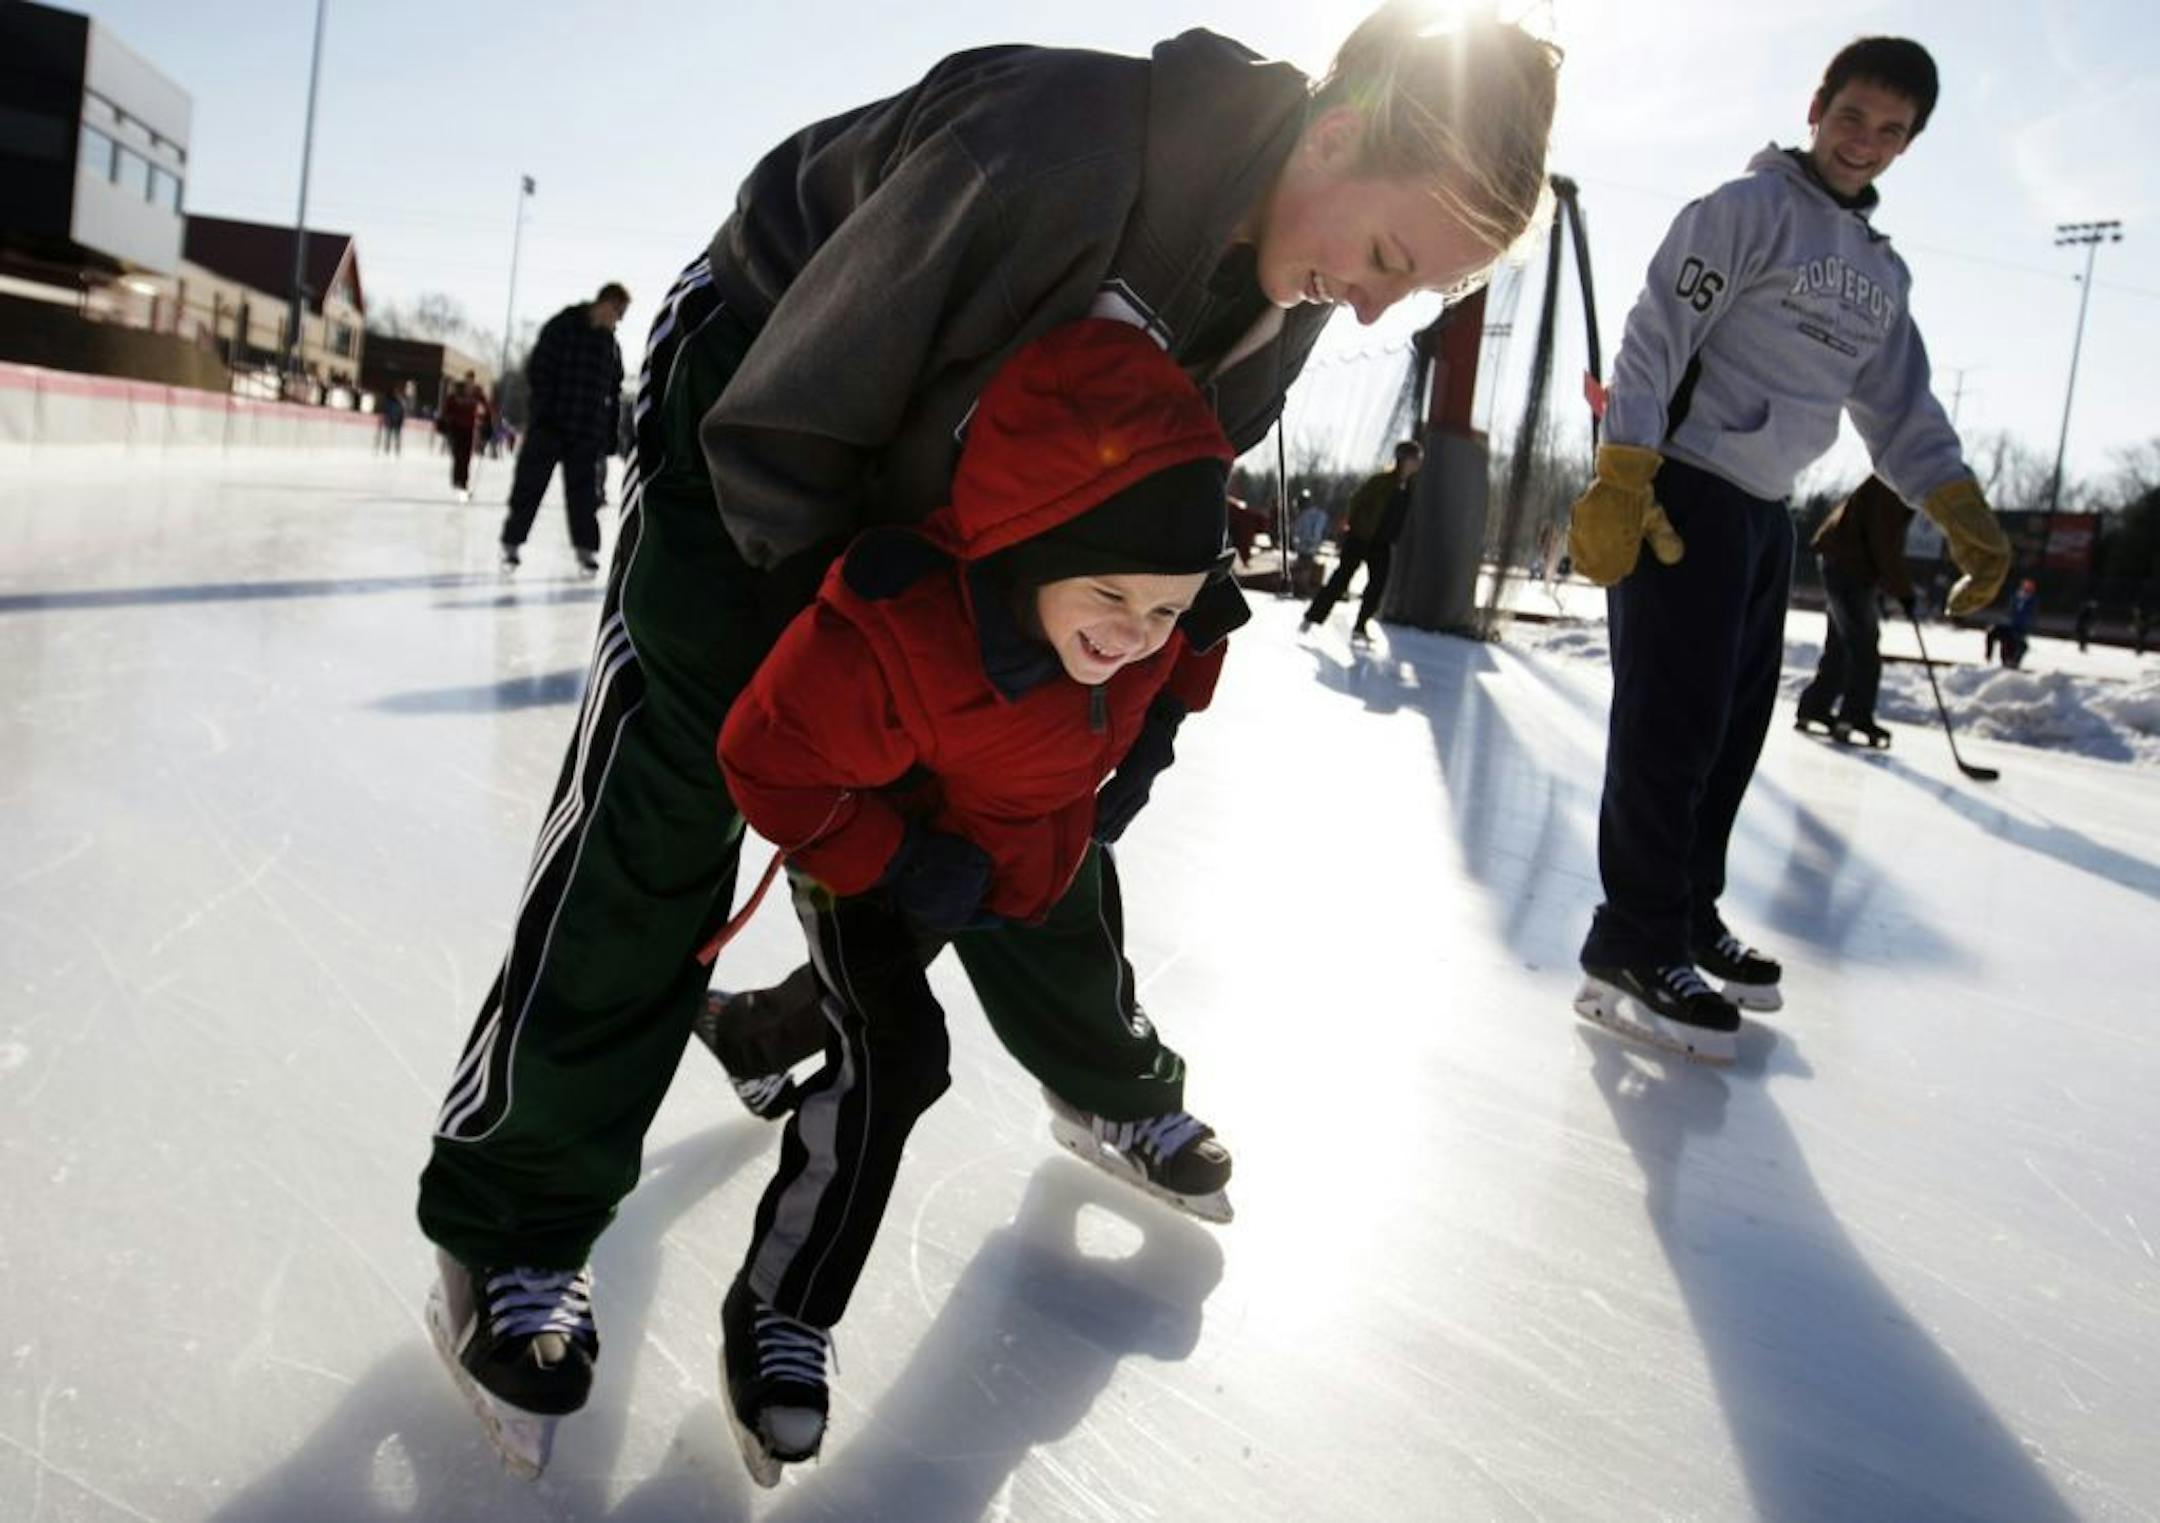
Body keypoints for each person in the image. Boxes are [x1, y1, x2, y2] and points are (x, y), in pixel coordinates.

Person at [417, 4, 1560, 1477]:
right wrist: (834, 669)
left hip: (991, 486)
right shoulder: (1051, 150)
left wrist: (1087, 719)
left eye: (1416, 292)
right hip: (764, 406)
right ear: (1332, 134)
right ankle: (511, 1224)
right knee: (681, 775)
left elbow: (1154, 516)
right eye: (1393, 260)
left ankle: (1104, 1069)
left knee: (1030, 780)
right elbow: (798, 415)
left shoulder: (1279, 302)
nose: (1378, 309)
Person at [712, 320, 1238, 1481]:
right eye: (1110, 593)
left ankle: (749, 1032)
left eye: (1162, 607)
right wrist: (891, 855)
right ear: (1029, 539)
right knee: (897, 1048)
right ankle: (782, 1309)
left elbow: (1194, 643)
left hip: (1016, 834)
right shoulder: (895, 636)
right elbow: (767, 761)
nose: (1132, 632)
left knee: (1051, 931)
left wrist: (1148, 739)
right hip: (870, 836)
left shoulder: (1151, 616)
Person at [1564, 36, 2009, 1063]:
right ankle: (1632, 935)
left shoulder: (1880, 275)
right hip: (1685, 490)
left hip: (1764, 510)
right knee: (1669, 727)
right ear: (1819, 106)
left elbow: (1901, 411)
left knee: (1730, 730)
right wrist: (1623, 470)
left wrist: (1964, 513)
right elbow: (1655, 332)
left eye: (1891, 132)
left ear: (1908, 146)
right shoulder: (1746, 210)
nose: (1866, 143)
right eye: (1854, 116)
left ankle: (1687, 915)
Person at [499, 282, 630, 576]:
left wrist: (609, 436)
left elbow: (614, 393)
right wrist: (544, 412)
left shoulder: (610, 345)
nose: (619, 320)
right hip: (550, 426)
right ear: (606, 303)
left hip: (585, 433)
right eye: (619, 312)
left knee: (584, 497)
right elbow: (539, 370)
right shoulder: (562, 327)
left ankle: (586, 553)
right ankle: (511, 545)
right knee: (529, 487)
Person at [1795, 475, 1915, 747]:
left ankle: (1814, 706)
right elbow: (1885, 544)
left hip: (1842, 562)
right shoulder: (1896, 484)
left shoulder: (1896, 478)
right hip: (1848, 567)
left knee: (1841, 643)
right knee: (1864, 647)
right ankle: (1855, 715)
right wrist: (1903, 590)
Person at [1300, 438, 1423, 640]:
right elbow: (1357, 501)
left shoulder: (1409, 488)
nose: (1417, 463)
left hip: (1383, 543)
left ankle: (1361, 625)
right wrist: (1356, 526)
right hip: (1361, 537)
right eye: (1414, 458)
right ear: (1403, 459)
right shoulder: (1382, 481)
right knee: (1341, 578)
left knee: (1377, 585)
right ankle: (1314, 615)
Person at [435, 372, 492, 503]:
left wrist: (488, 423)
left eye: (471, 381)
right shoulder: (456, 393)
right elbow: (446, 409)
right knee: (457, 455)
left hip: (470, 429)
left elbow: (487, 409)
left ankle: (464, 481)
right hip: (456, 428)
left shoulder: (477, 394)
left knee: (466, 456)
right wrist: (443, 422)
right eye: (467, 380)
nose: (469, 383)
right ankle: (456, 479)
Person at [1985, 576, 2037, 668]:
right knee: (1993, 631)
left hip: (2020, 628)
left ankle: (2011, 661)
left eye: (2030, 586)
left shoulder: (2032, 601)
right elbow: (2009, 611)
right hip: (2009, 625)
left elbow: (2030, 617)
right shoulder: (2016, 596)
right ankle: (1989, 656)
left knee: (2016, 642)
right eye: (2026, 585)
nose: (2027, 587)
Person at [1288, 487, 1331, 596]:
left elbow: (1299, 531)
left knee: (1304, 565)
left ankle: (1303, 587)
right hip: (1311, 545)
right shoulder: (1319, 514)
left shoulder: (1304, 516)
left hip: (1306, 546)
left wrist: (1297, 542)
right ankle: (1304, 586)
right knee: (1306, 564)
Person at [376, 384, 406, 455]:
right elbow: (385, 410)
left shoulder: (399, 403)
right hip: (390, 420)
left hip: (397, 422)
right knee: (389, 435)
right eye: (395, 392)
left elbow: (401, 413)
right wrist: (384, 417)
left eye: (397, 393)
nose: (396, 394)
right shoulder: (389, 401)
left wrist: (401, 421)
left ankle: (397, 449)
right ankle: (387, 449)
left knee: (396, 436)